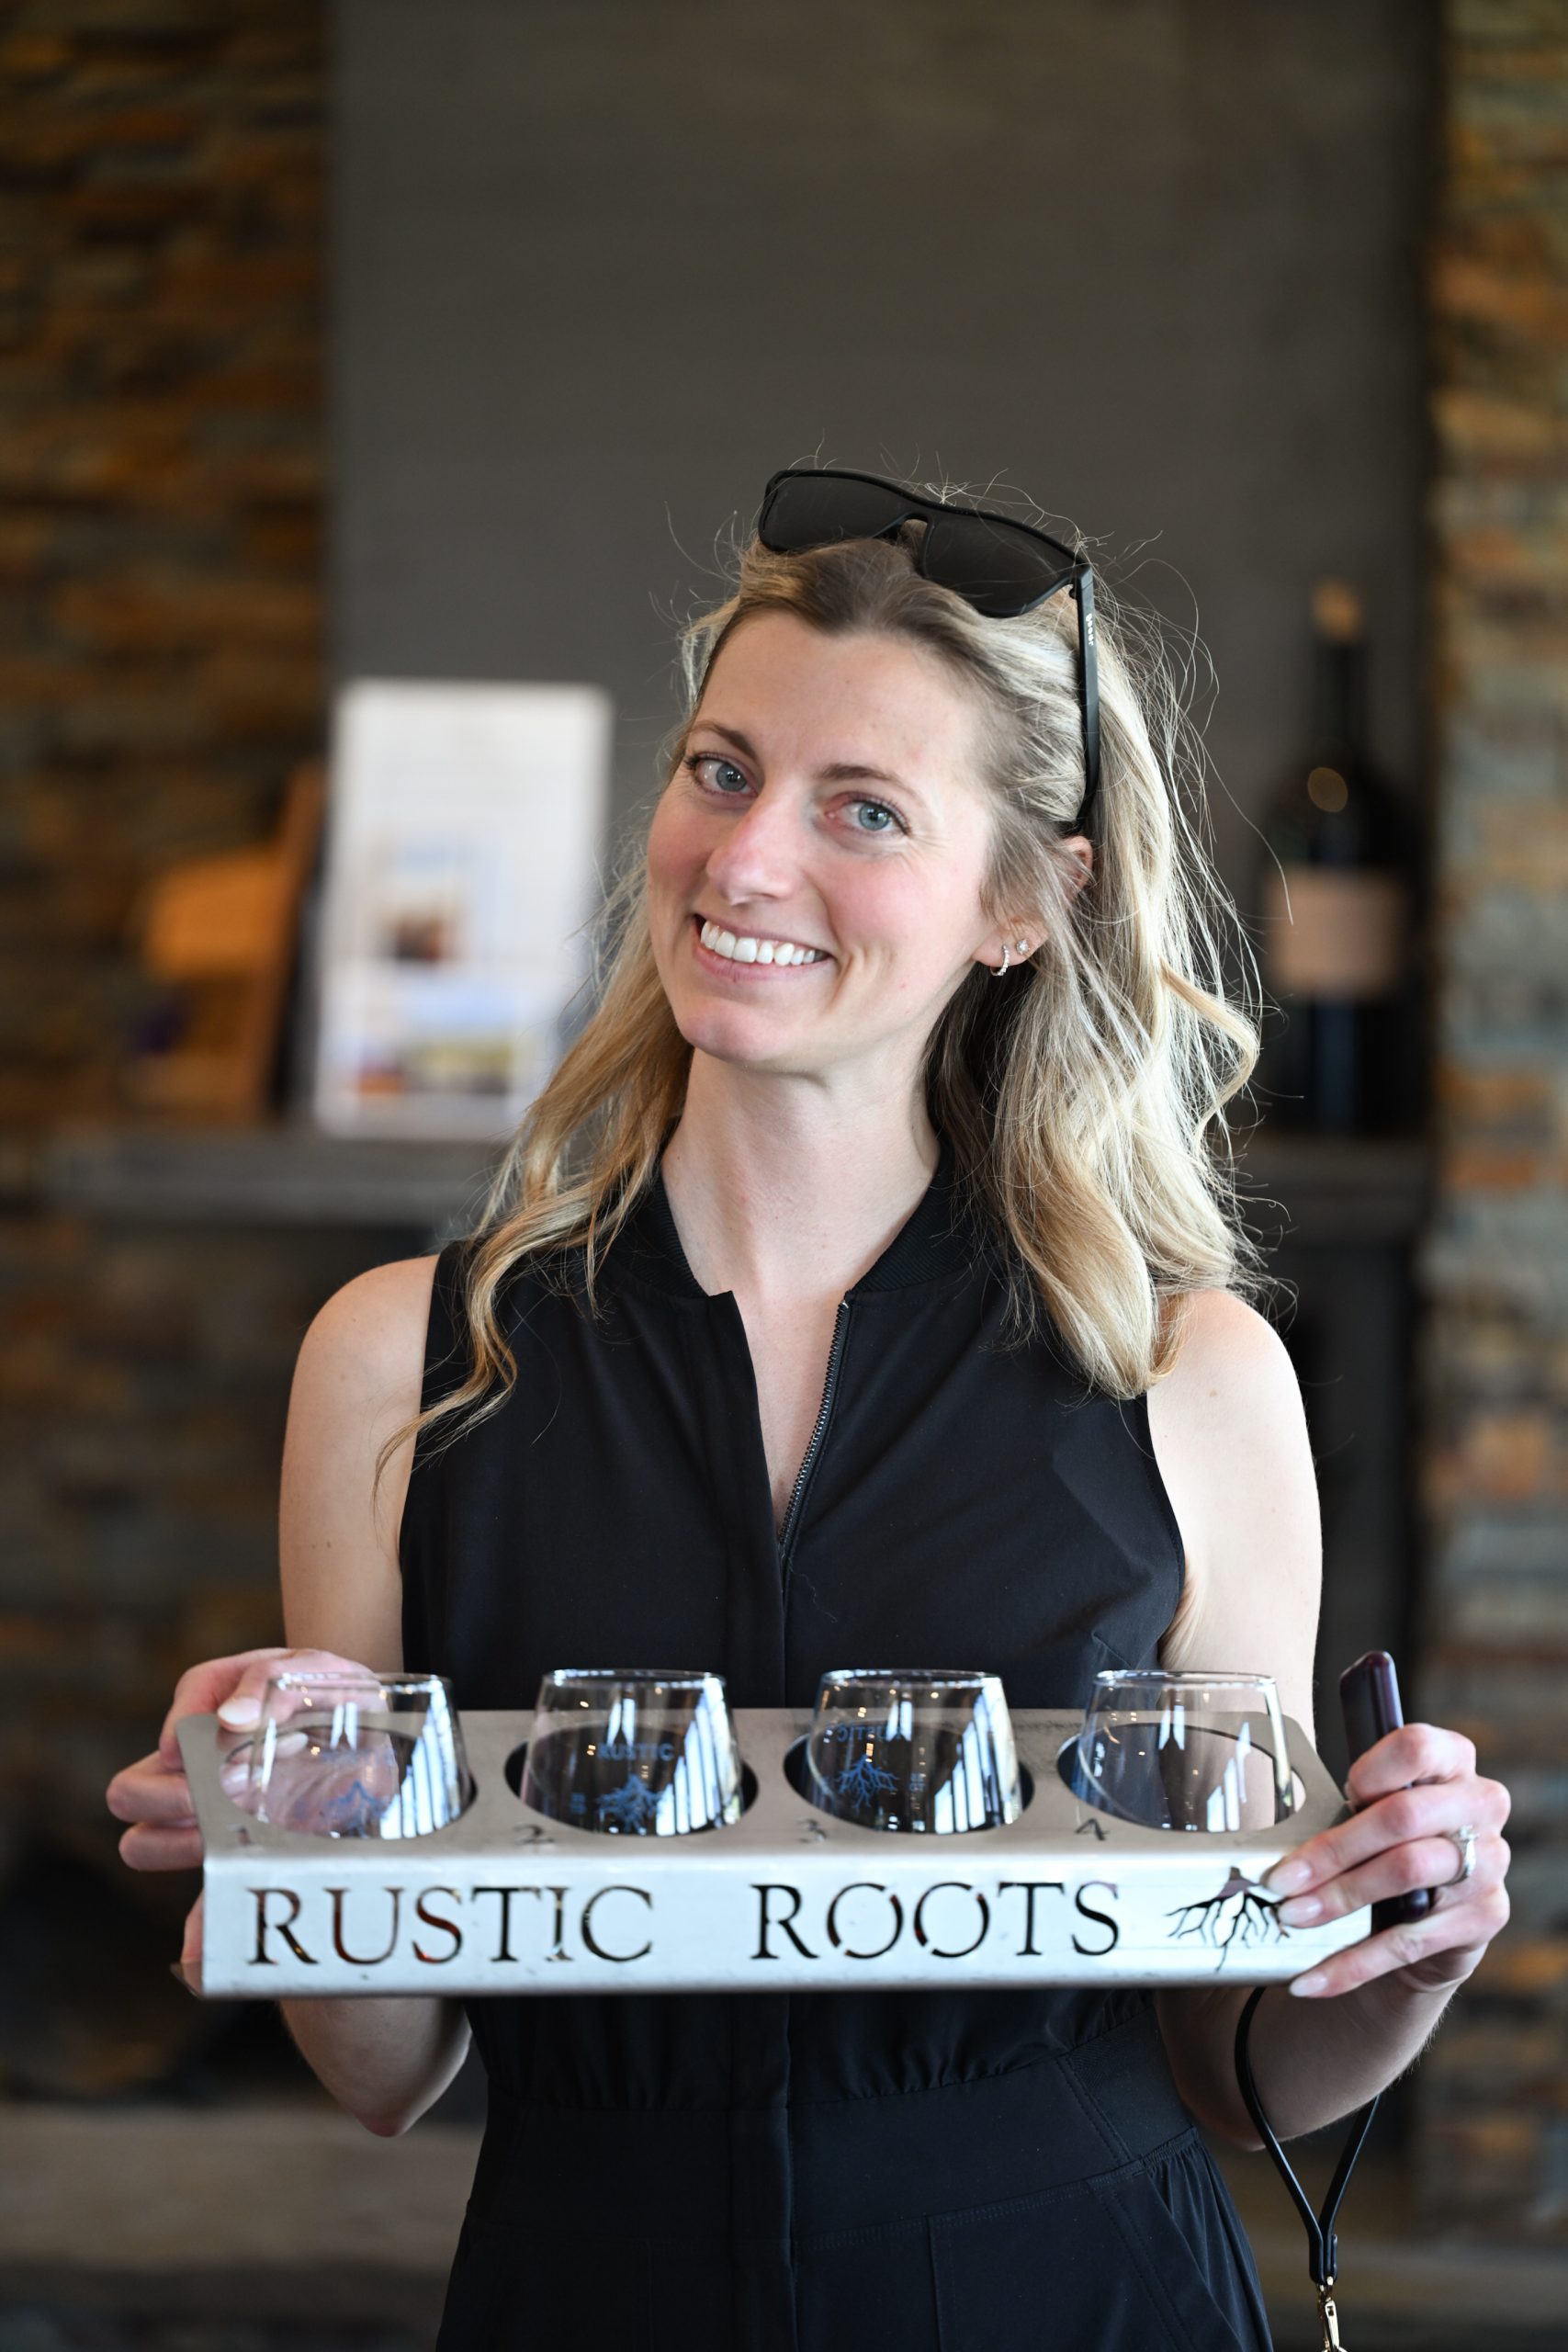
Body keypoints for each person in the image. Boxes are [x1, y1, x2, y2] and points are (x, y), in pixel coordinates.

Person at [107, 469, 1511, 2351]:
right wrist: (302, 1823)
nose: (746, 858)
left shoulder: (1186, 1381)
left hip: (1076, 2296)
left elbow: (1231, 2058)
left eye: (860, 808)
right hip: (588, 2296)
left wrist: (1408, 1941)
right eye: (719, 769)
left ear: (1022, 900)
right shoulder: (401, 1360)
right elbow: (384, 2066)